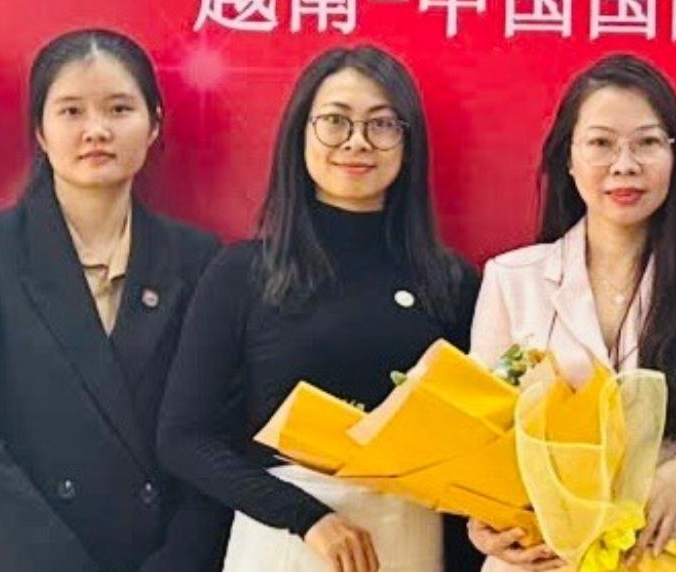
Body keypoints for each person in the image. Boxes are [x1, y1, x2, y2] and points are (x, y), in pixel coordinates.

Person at [160, 45, 477, 572]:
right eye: (335, 121)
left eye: (382, 124)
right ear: (300, 133)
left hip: (411, 540)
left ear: (408, 143)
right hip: (287, 542)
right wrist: (305, 517)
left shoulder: (452, 282)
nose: (357, 141)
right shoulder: (243, 272)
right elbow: (183, 438)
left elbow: (472, 449)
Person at [0, 28, 229, 572]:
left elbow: (211, 437)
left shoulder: (196, 258)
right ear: (40, 132)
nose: (96, 130)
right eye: (70, 111)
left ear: (154, 124)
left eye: (119, 109)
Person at [466, 54, 676, 571]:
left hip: (668, 547)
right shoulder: (512, 279)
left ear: (674, 156)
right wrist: (482, 524)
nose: (625, 165)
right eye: (601, 143)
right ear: (569, 158)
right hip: (543, 553)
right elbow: (477, 437)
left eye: (647, 143)